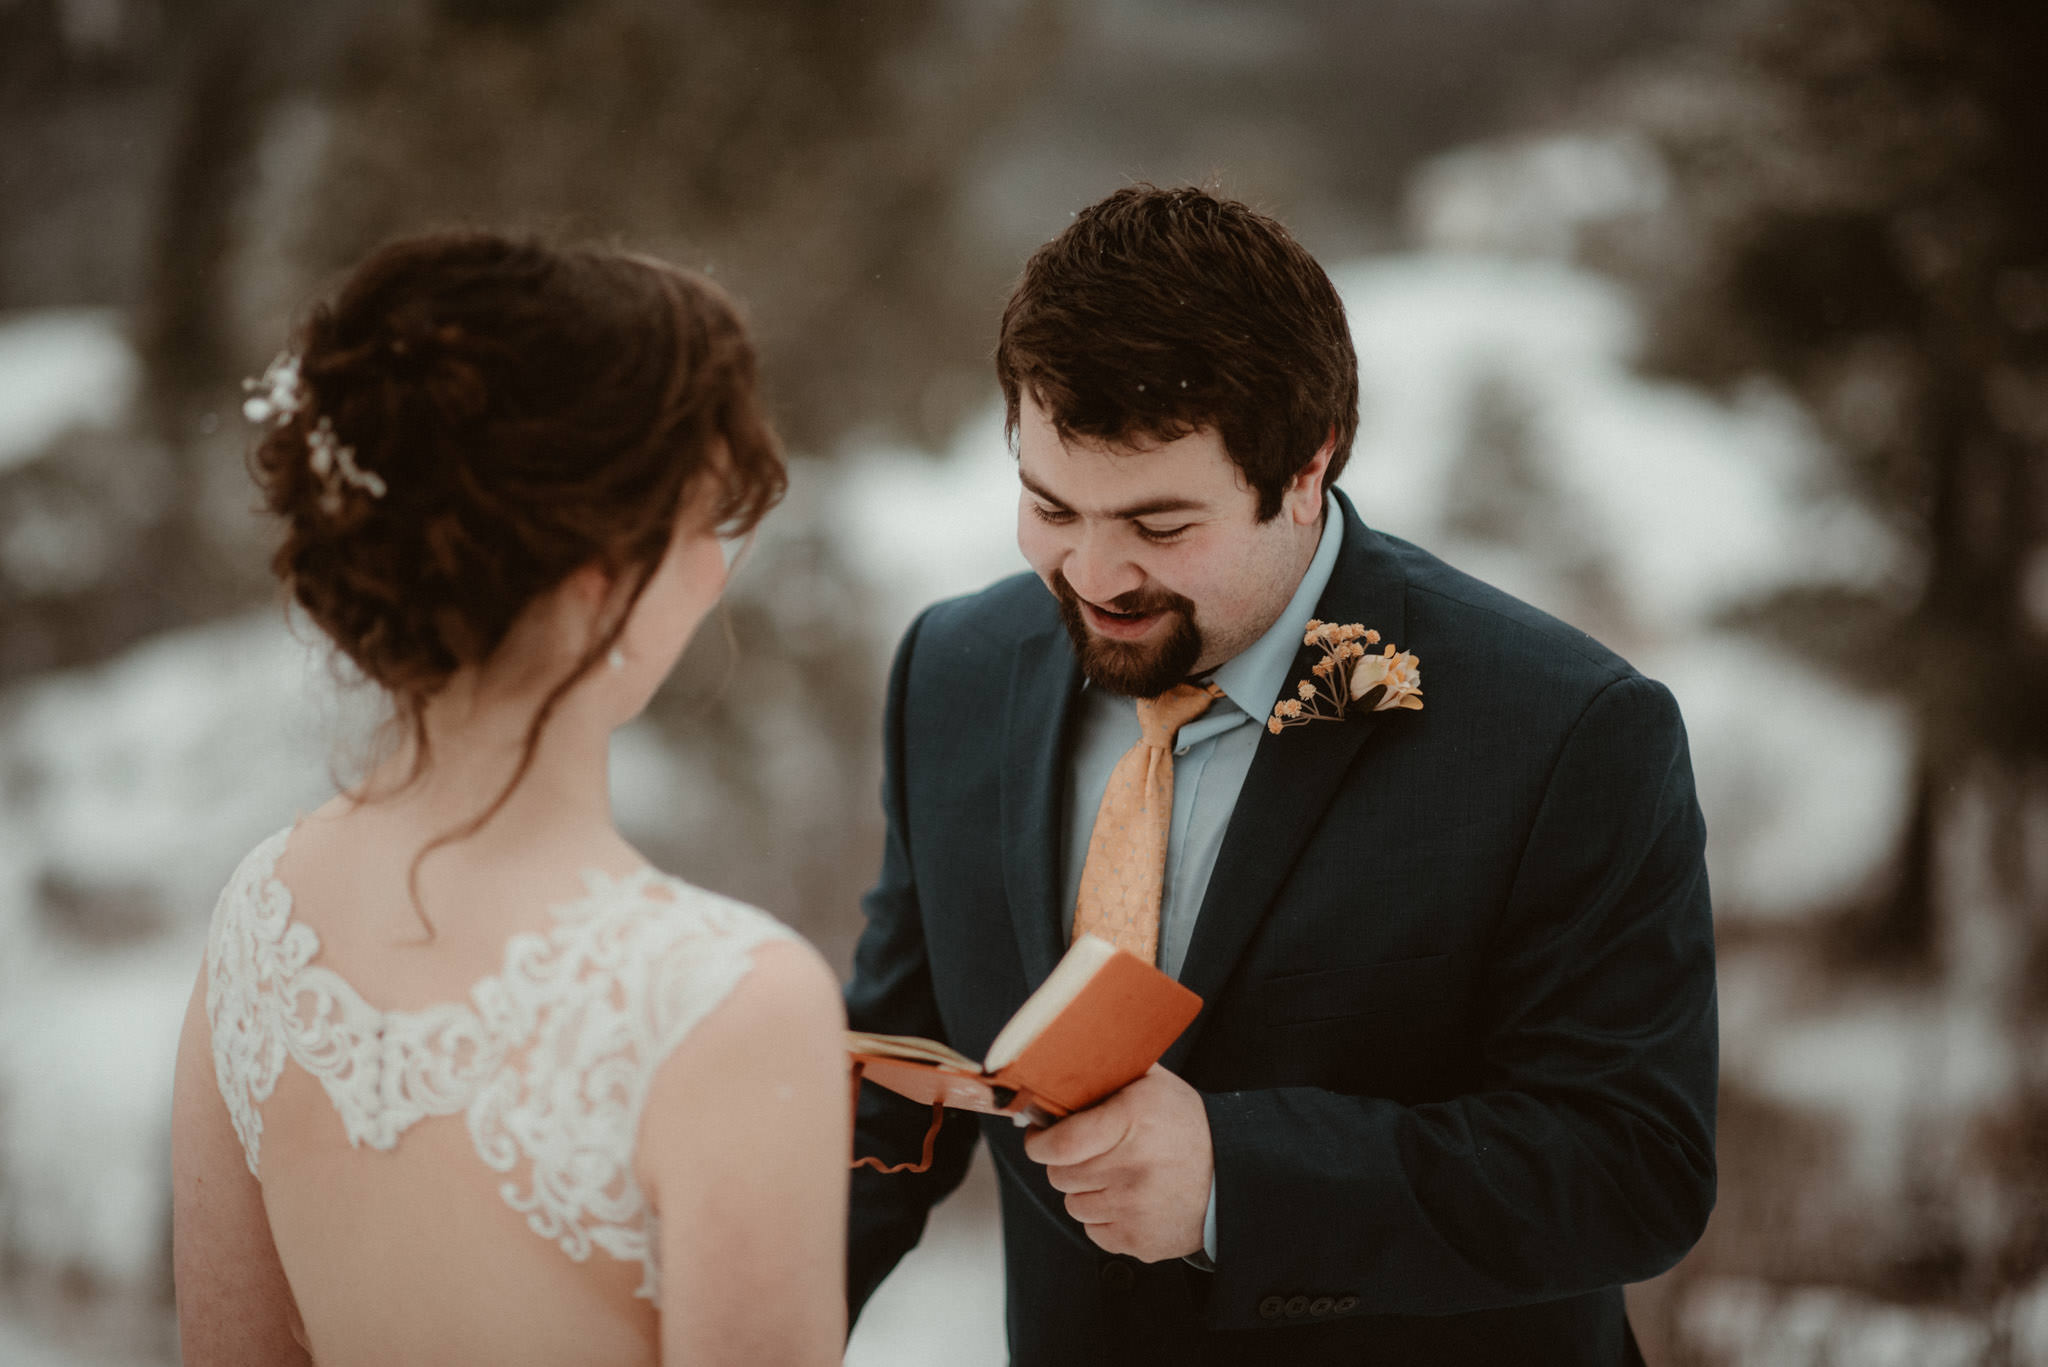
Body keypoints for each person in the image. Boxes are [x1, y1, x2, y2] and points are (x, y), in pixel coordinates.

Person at [843, 185, 1718, 1366]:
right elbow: (900, 1071)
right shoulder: (951, 670)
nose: (1092, 573)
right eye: (1050, 505)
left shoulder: (1566, 730)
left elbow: (1631, 1167)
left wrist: (1235, 1178)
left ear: (1305, 471)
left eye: (1158, 526)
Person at [169, 233, 849, 1367]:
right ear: (597, 585)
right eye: (697, 528)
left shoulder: (261, 916)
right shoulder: (725, 1000)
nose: (715, 572)